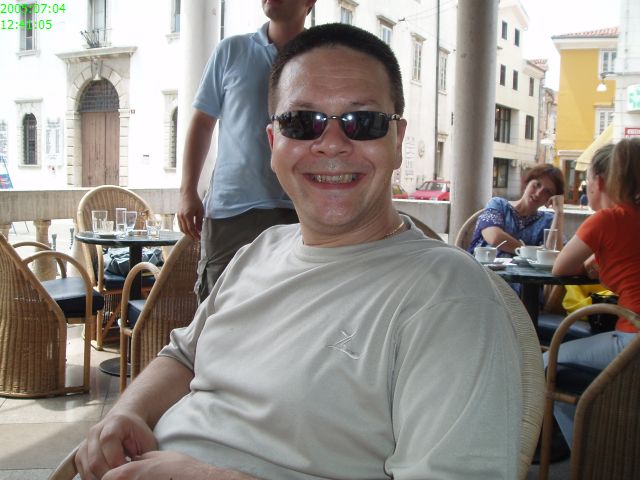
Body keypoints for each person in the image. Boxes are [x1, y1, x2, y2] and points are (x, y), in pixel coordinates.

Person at [75, 24, 522, 480]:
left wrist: (200, 475)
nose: (332, 143)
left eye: (363, 121)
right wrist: (127, 412)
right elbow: (184, 356)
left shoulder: (447, 293)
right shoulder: (259, 250)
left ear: (397, 140)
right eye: (301, 122)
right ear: (274, 143)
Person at [178, 0, 316, 302]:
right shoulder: (232, 51)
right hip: (232, 210)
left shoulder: (320, 58)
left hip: (301, 210)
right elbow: (201, 124)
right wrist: (188, 191)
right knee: (217, 309)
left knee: (290, 309)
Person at [549, 140, 640, 447]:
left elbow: (560, 267)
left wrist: (591, 261)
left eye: (587, 180)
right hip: (630, 336)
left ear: (599, 181)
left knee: (545, 365)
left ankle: (585, 452)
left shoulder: (606, 220)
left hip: (632, 339)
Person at [468, 164, 565, 257]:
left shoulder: (548, 221)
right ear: (527, 183)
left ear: (551, 198)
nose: (538, 193)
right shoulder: (498, 204)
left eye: (547, 191)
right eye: (537, 185)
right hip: (483, 267)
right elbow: (494, 237)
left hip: (523, 270)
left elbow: (555, 255)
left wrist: (559, 213)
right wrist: (530, 252)